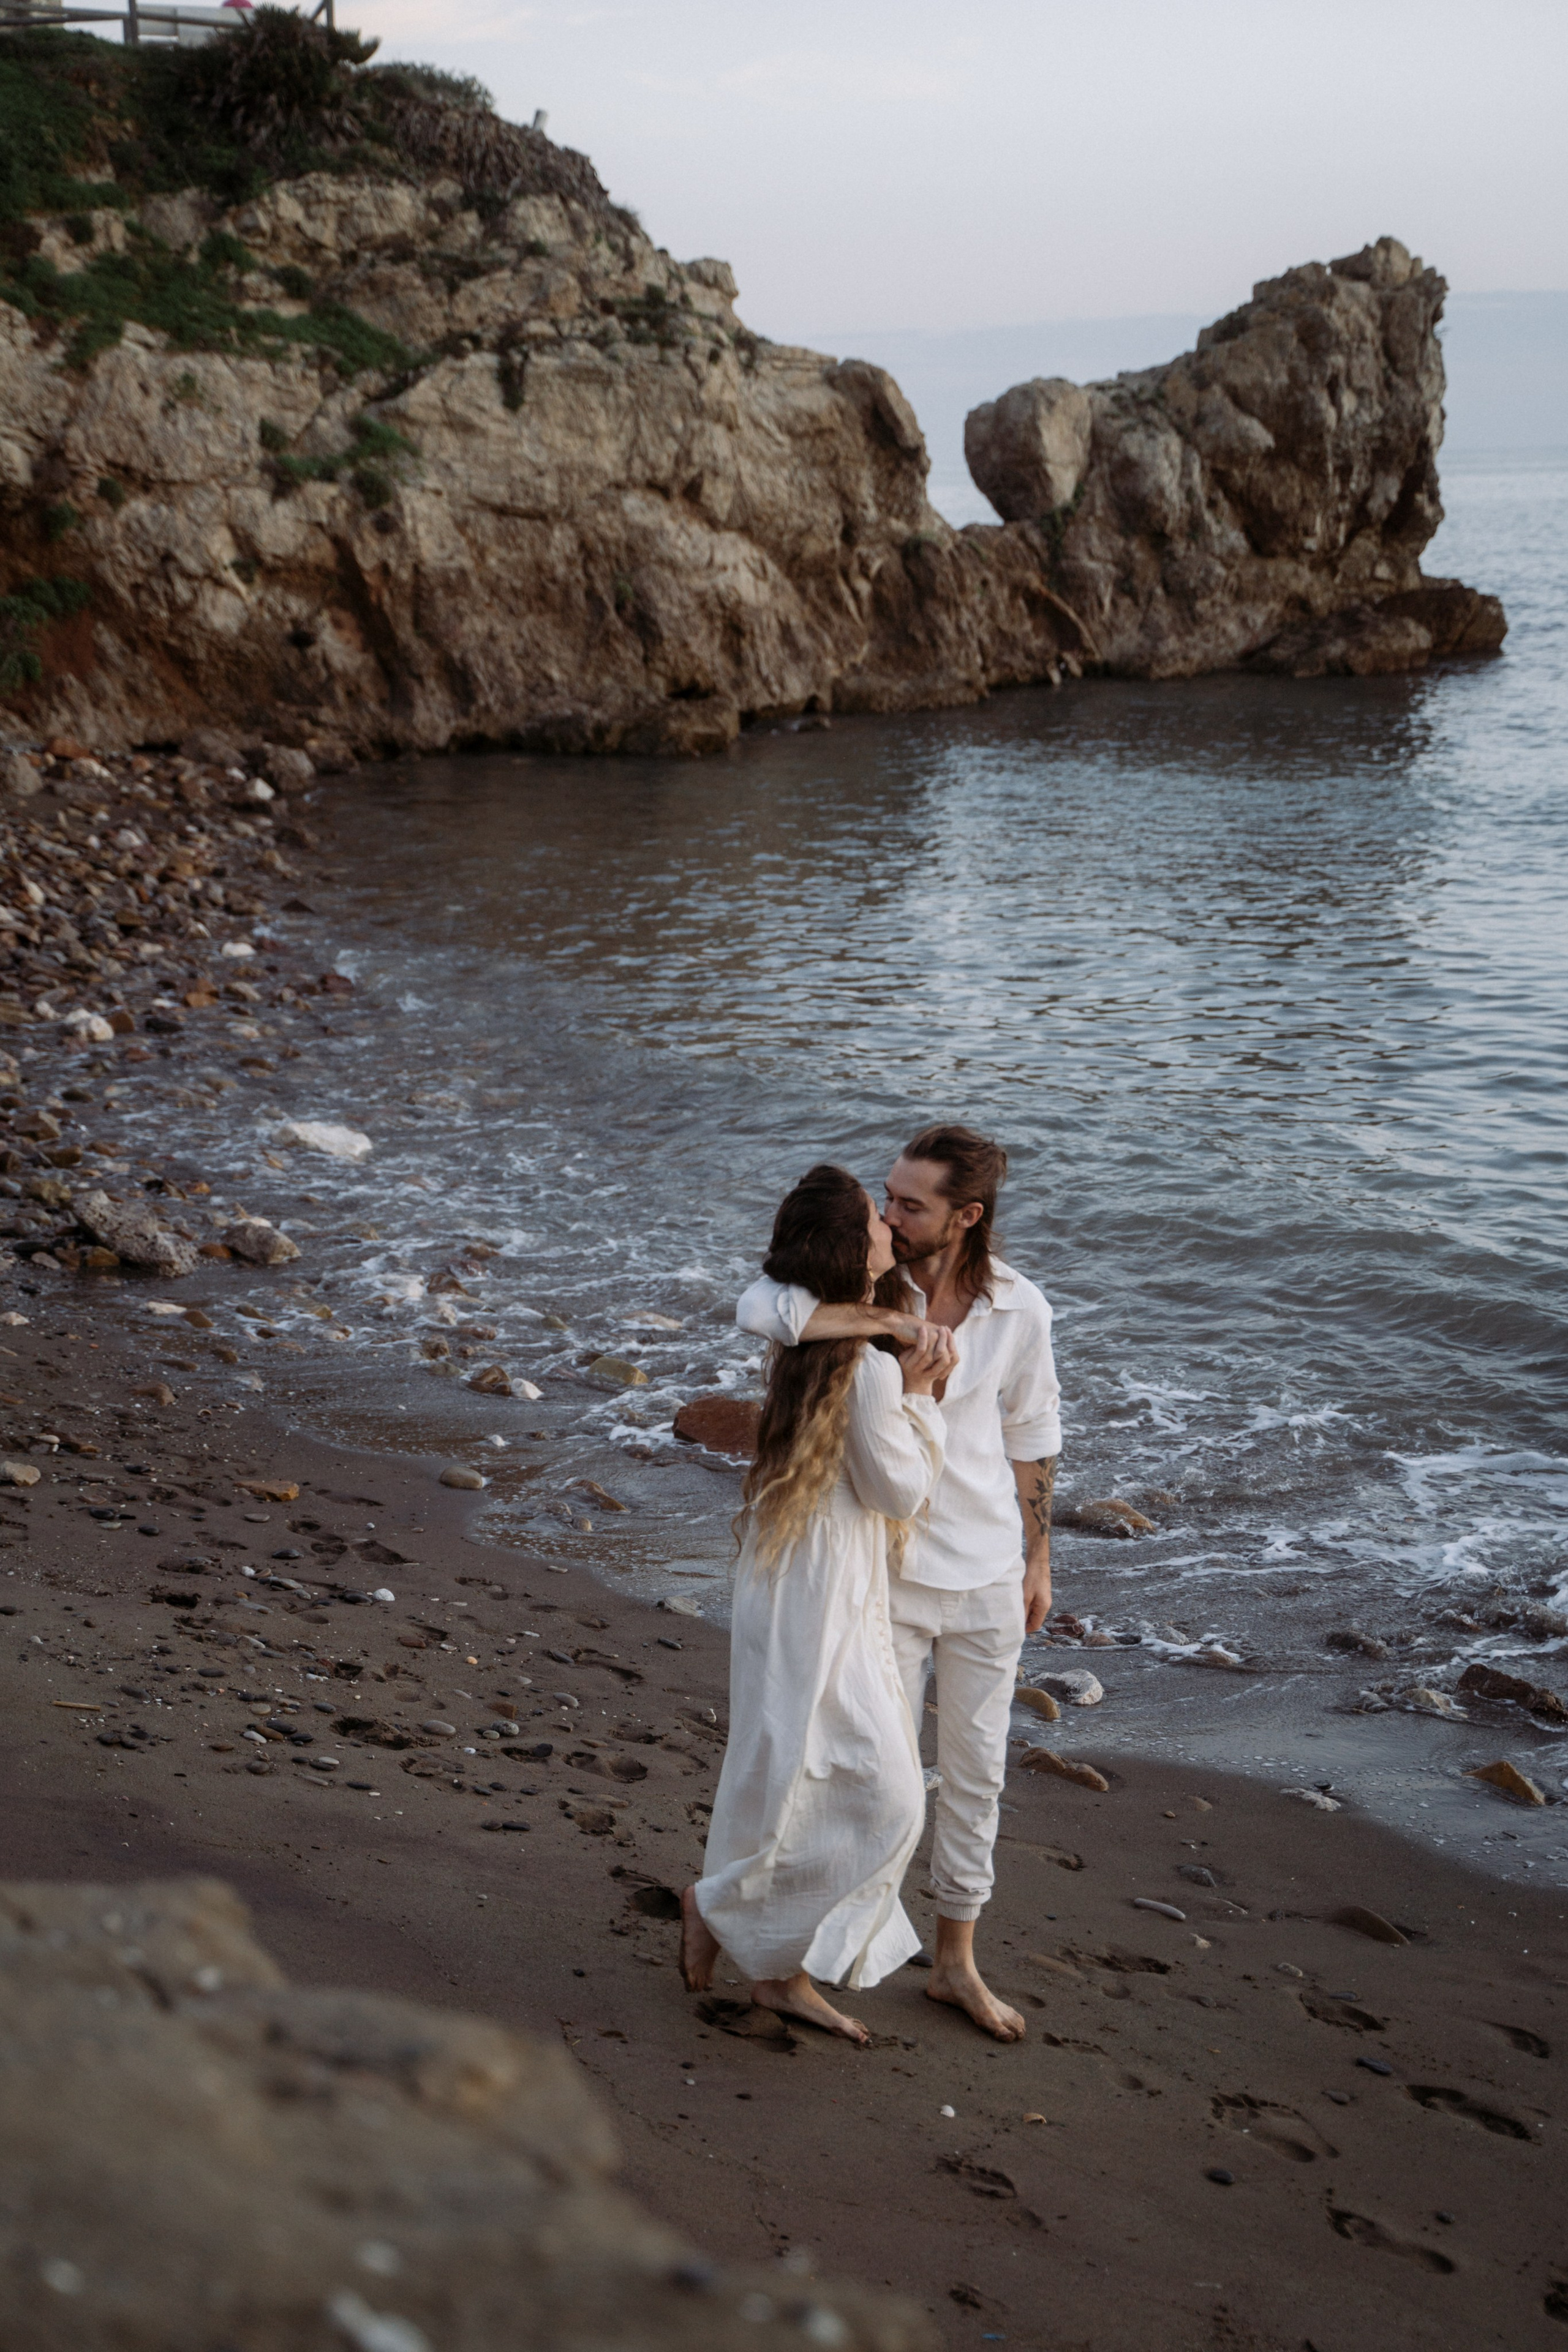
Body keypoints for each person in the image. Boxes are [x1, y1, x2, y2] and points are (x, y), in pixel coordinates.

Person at [736, 1125, 1060, 2044]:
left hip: (992, 1575)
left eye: (911, 1204)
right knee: (854, 1776)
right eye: (888, 1197)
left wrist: (1039, 1559)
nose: (890, 1215)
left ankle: (955, 1964)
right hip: (894, 1574)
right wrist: (885, 1321)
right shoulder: (863, 1280)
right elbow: (760, 1305)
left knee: (975, 1778)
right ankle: (796, 1948)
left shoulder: (1020, 1310)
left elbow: (1033, 1437)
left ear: (969, 1216)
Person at [680, 1164, 957, 2045]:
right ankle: (721, 1906)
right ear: (850, 1252)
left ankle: (779, 1971)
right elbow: (901, 1493)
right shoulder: (869, 1370)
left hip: (781, 1565)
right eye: (875, 1220)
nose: (889, 1224)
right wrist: (920, 1396)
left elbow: (767, 1300)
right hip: (827, 1581)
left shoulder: (810, 1337)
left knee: (783, 1758)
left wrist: (887, 1325)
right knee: (884, 1794)